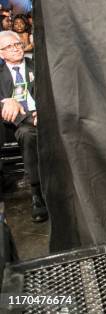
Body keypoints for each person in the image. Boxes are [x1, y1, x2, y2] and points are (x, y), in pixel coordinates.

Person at [0, 30, 47, 223]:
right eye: (9, 47)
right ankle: (37, 193)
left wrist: (44, 111)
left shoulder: (37, 65)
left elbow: (52, 93)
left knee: (29, 133)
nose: (15, 49)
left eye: (18, 44)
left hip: (41, 119)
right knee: (28, 132)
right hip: (11, 123)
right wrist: (4, 101)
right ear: (1, 53)